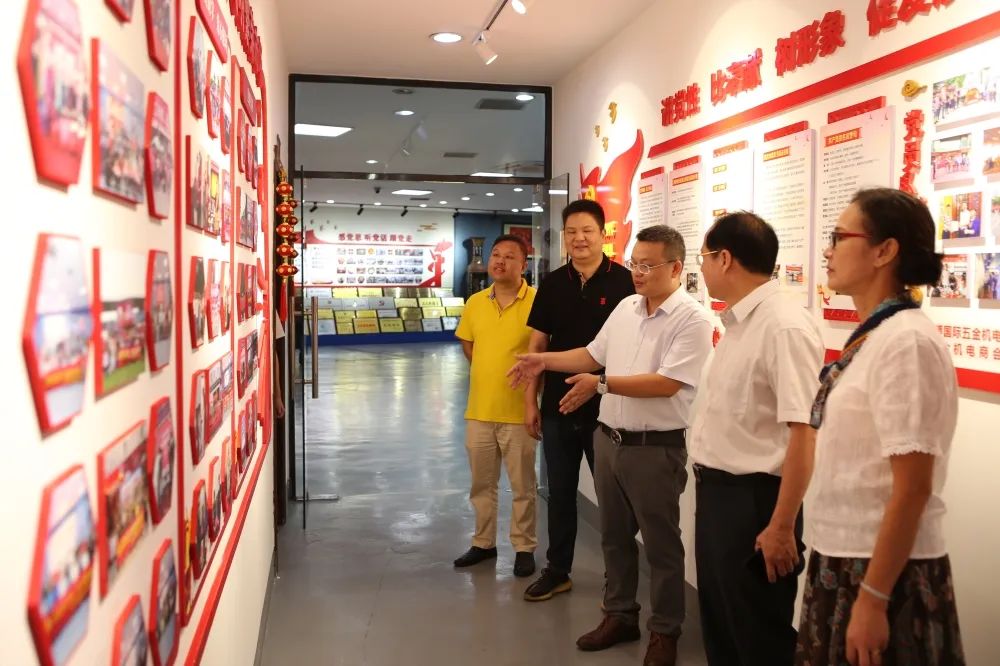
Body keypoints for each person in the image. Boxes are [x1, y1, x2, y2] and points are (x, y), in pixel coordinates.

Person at [508, 225, 713, 666]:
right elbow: (591, 355)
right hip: (610, 441)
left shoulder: (692, 319)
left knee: (660, 545)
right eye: (635, 263)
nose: (637, 272)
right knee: (615, 538)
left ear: (676, 268)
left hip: (655, 448)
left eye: (648, 265)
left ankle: (665, 630)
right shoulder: (626, 308)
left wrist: (601, 385)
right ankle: (620, 615)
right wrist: (543, 360)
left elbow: (667, 383)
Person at [796, 188, 965, 666]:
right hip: (844, 557)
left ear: (884, 250)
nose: (827, 250)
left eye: (838, 237)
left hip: (883, 572)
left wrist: (873, 598)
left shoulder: (908, 342)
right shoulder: (877, 334)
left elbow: (912, 488)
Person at [688, 212, 823, 666]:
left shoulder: (783, 326)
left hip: (756, 504)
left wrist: (782, 525)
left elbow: (803, 432)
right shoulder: (740, 323)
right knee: (722, 625)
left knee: (757, 635)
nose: (703, 268)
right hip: (719, 497)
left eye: (704, 258)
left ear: (725, 259)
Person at [521, 199, 634, 602]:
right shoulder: (553, 283)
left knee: (614, 500)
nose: (579, 239)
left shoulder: (626, 283)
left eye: (587, 231)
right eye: (571, 232)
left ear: (603, 234)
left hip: (609, 407)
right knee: (560, 492)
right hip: (558, 404)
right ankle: (558, 570)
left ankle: (617, 580)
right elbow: (537, 346)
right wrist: (531, 402)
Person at [453, 234, 539, 578]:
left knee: (523, 486)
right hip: (479, 410)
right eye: (495, 255)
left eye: (509, 256)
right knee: (481, 484)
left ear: (524, 265)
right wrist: (487, 369)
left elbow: (543, 353)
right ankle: (483, 542)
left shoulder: (538, 302)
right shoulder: (475, 302)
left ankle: (524, 547)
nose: (500, 261)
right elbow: (467, 342)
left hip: (519, 411)